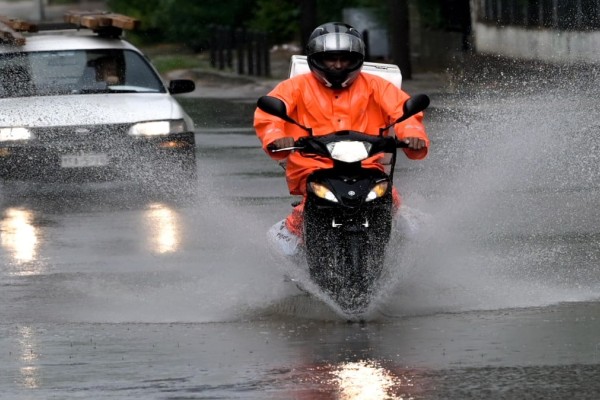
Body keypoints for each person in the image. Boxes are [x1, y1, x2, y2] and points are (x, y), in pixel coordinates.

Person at [254, 22, 429, 256]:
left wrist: (413, 136)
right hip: (312, 166)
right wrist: (277, 138)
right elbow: (269, 115)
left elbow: (404, 112)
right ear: (315, 59)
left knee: (390, 198)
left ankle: (395, 233)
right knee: (305, 213)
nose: (337, 65)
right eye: (330, 59)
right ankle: (292, 229)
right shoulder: (294, 87)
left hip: (366, 165)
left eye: (345, 59)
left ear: (357, 59)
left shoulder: (377, 86)